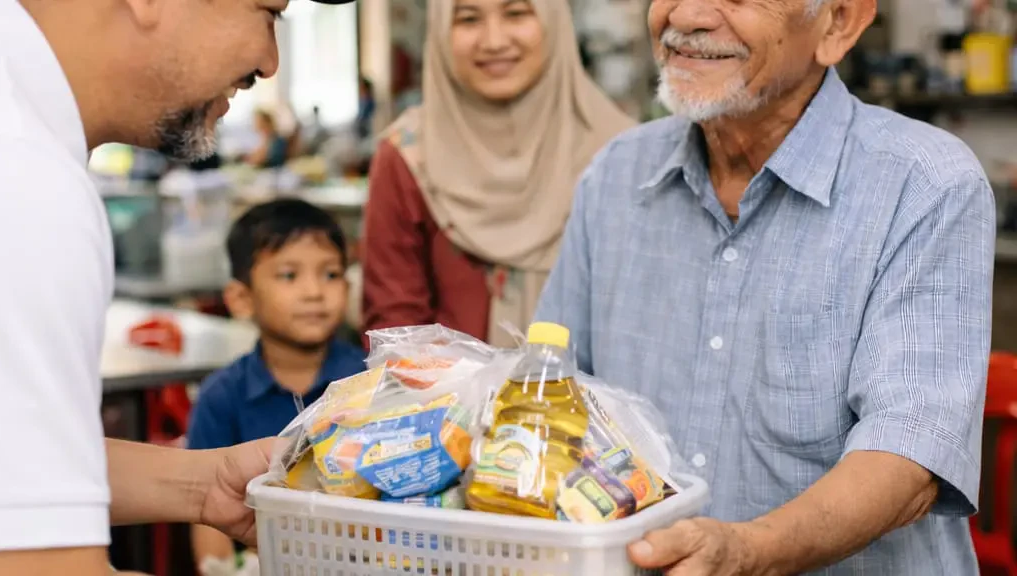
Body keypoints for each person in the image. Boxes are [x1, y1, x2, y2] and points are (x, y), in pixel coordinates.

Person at [535, 0, 993, 574]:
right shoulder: (616, 176)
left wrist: (747, 553)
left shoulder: (924, 182)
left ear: (838, 23)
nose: (689, 15)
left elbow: (908, 459)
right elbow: (550, 399)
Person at [0, 0, 356, 574]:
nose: (269, 62)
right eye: (268, 13)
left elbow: (9, 463)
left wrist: (205, 484)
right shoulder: (24, 183)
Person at [362, 0, 633, 347]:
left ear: (554, 21)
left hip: (600, 399)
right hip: (450, 400)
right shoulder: (409, 157)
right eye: (469, 18)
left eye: (516, 13)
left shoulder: (622, 155)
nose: (493, 41)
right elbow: (394, 331)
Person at [186, 198, 365, 572]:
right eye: (289, 275)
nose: (314, 292)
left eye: (330, 274)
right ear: (241, 298)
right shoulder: (221, 396)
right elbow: (205, 513)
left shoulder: (368, 382)